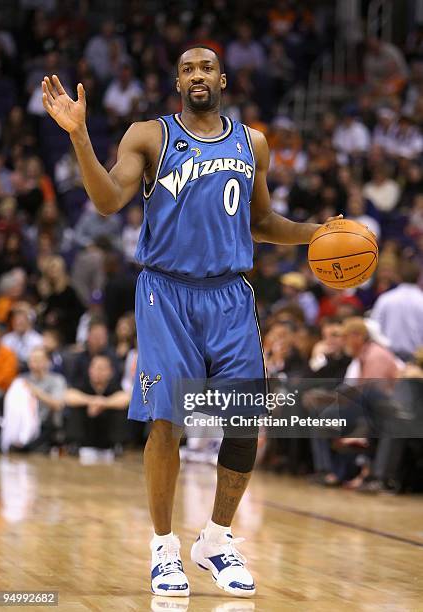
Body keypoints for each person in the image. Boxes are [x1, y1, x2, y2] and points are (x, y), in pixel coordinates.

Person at [41, 46, 340, 599]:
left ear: (222, 79)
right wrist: (80, 135)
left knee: (245, 423)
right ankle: (164, 549)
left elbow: (263, 222)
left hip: (230, 295)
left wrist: (317, 232)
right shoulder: (148, 135)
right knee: (166, 422)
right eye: (186, 69)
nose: (197, 75)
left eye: (206, 68)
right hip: (166, 292)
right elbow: (108, 201)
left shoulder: (253, 143)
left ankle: (217, 539)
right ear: (177, 81)